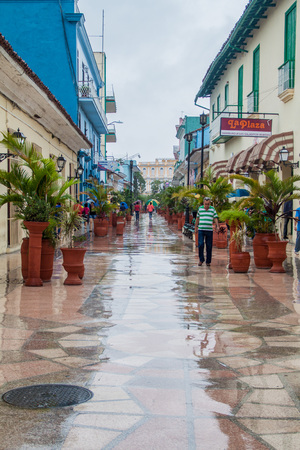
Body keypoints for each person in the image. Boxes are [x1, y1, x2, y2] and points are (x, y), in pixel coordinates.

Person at [194, 197, 219, 266]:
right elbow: (197, 218)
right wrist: (195, 227)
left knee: (209, 245)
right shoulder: (200, 209)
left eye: (208, 204)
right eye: (205, 204)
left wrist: (217, 226)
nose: (206, 206)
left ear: (210, 204)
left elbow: (215, 218)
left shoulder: (212, 209)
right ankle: (201, 260)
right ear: (203, 203)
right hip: (201, 229)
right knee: (201, 244)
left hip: (209, 230)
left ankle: (208, 261)